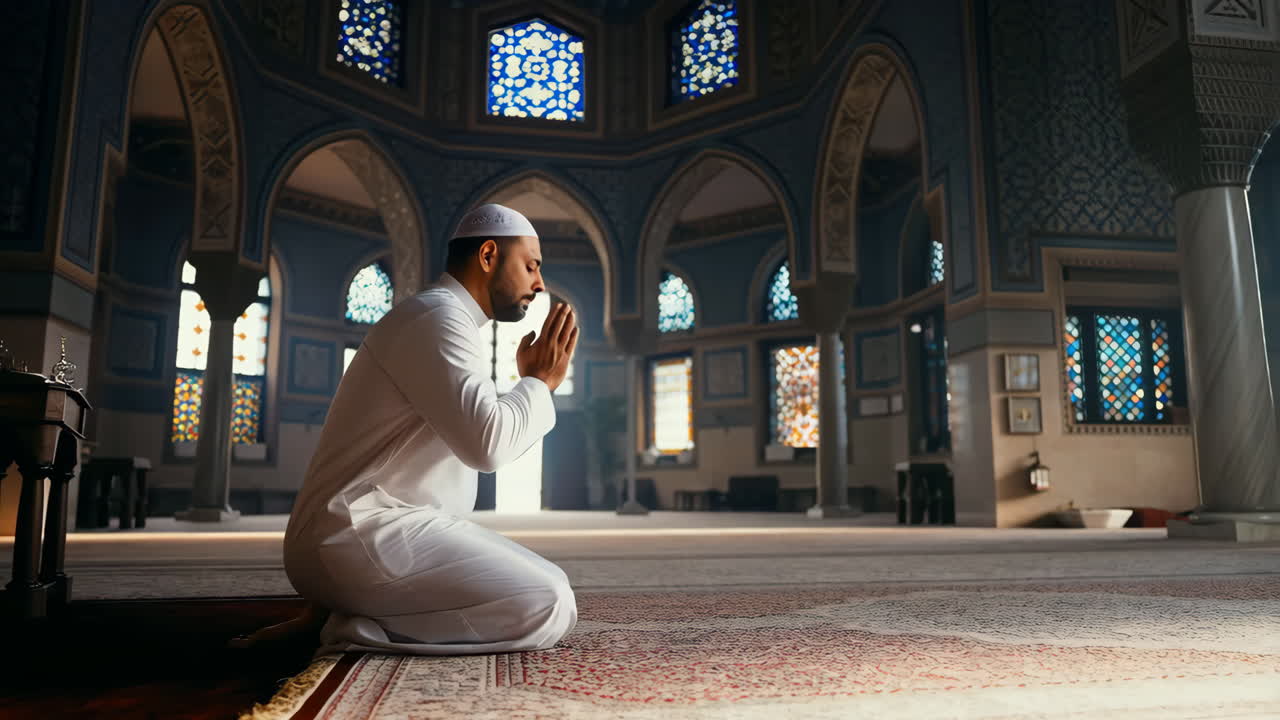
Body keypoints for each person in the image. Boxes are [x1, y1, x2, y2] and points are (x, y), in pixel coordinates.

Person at [243, 203, 579, 655]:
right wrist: (539, 382)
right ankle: (355, 631)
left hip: (375, 533)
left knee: (548, 589)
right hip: (356, 532)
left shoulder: (443, 319)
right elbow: (489, 446)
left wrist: (532, 385)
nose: (539, 284)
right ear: (488, 255)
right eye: (531, 265)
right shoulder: (437, 319)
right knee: (548, 601)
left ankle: (345, 609)